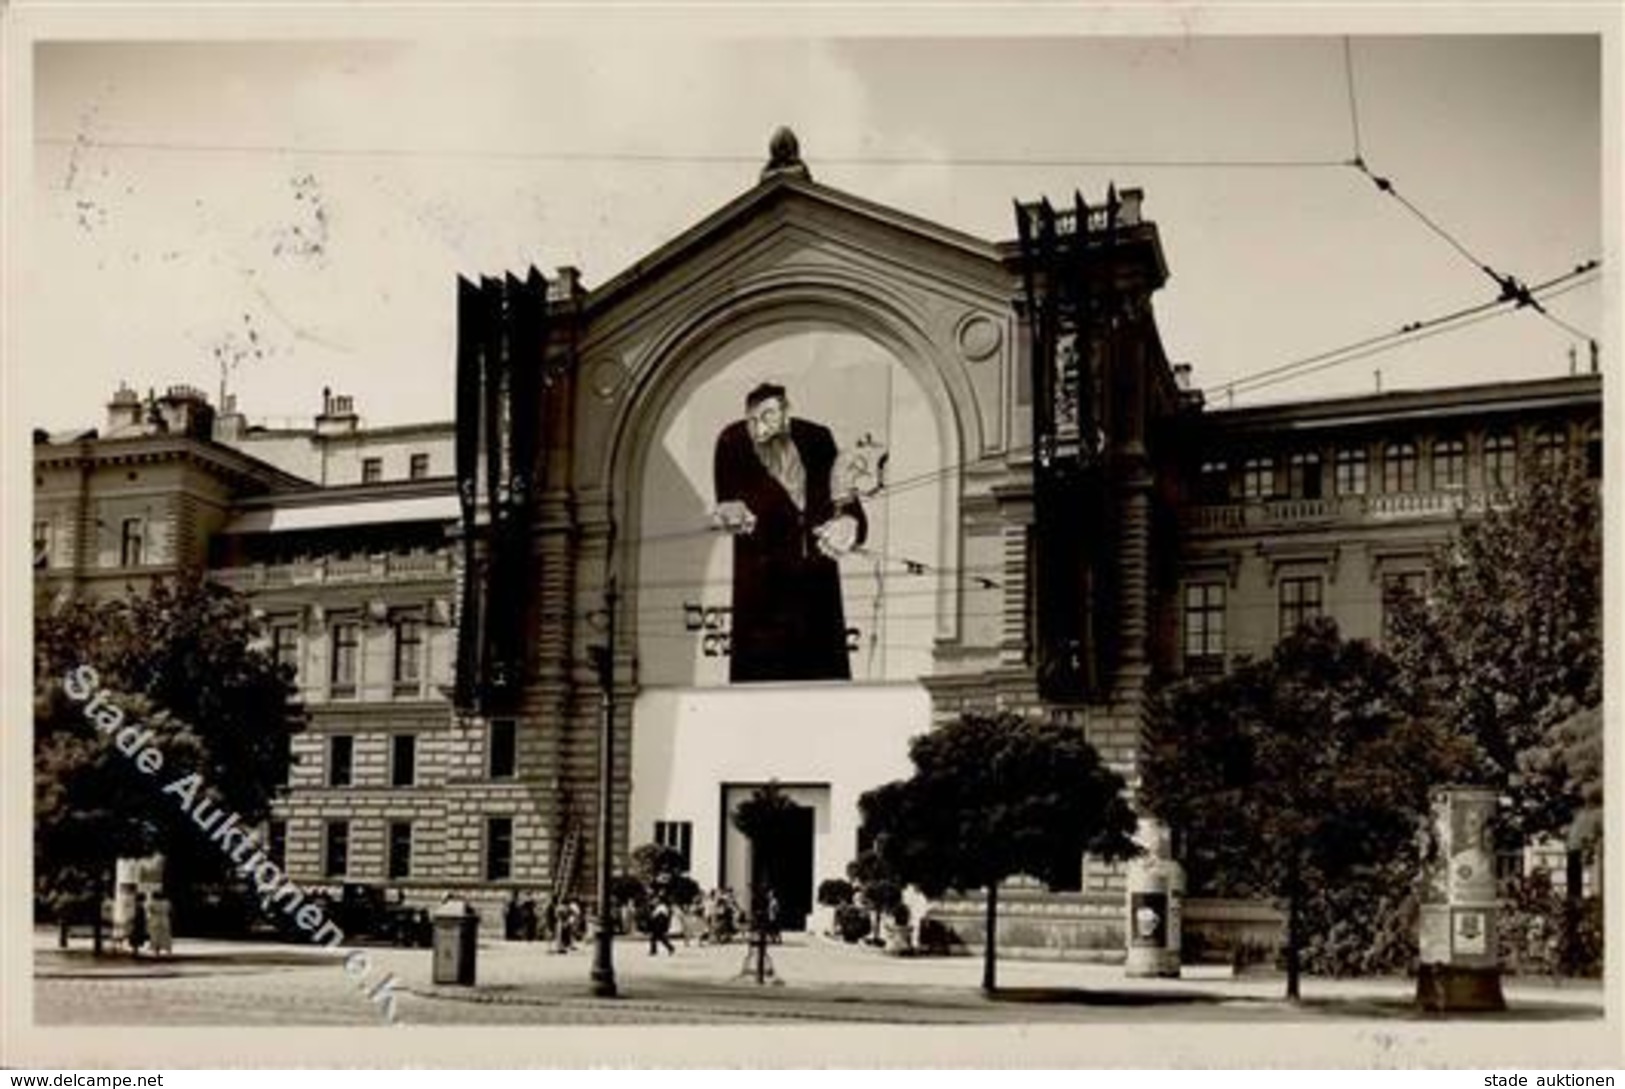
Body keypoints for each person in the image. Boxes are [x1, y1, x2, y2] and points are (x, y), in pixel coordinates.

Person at [713, 382, 866, 683]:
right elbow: (726, 500)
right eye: (759, 417)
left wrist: (849, 522)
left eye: (776, 414)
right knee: (762, 695)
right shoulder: (733, 442)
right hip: (763, 597)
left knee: (823, 692)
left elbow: (847, 500)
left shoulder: (817, 438)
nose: (768, 424)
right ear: (749, 417)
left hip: (817, 592)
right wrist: (731, 512)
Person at [147, 892, 173, 957]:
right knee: (165, 935)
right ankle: (168, 950)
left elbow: (150, 910)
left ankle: (156, 951)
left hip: (155, 919)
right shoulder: (167, 903)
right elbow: (170, 910)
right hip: (164, 919)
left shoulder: (152, 903)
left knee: (155, 936)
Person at [127, 893, 150, 957]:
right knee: (137, 937)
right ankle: (135, 951)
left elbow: (136, 916)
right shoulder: (140, 907)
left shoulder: (137, 907)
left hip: (137, 924)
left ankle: (135, 951)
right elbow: (141, 916)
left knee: (136, 937)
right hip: (139, 924)